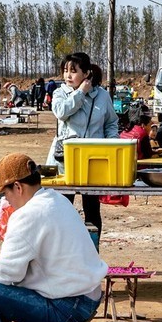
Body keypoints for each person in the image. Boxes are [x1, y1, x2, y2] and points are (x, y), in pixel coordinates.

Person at [0, 153, 106, 322]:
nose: (5, 199)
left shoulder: (29, 214)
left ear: (17, 187)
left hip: (68, 306)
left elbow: (6, 273)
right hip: (87, 294)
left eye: (5, 193)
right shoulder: (56, 198)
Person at [50, 52, 119, 233]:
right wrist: (80, 93)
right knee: (63, 209)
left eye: (73, 71)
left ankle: (92, 253)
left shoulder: (102, 96)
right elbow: (60, 112)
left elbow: (111, 122)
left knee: (92, 209)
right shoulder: (59, 93)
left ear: (86, 73)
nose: (68, 75)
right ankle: (64, 255)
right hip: (65, 161)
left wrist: (112, 144)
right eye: (65, 71)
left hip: (93, 160)